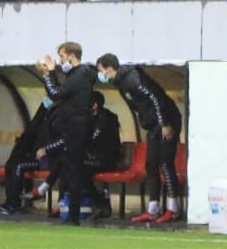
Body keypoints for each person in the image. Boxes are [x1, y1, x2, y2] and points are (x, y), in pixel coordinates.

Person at [95, 54, 184, 223]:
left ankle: (173, 208)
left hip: (167, 120)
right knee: (151, 165)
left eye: (100, 71)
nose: (100, 75)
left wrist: (165, 123)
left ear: (109, 68)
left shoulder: (132, 79)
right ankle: (153, 208)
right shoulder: (121, 82)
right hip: (153, 125)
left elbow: (156, 98)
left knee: (165, 162)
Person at [37, 43, 98, 225]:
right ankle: (73, 214)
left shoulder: (79, 75)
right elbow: (63, 92)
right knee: (71, 170)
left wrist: (47, 75)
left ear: (71, 56)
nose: (61, 61)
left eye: (62, 57)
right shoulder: (79, 75)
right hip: (75, 128)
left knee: (74, 171)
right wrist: (54, 72)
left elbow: (56, 93)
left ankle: (73, 216)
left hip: (76, 128)